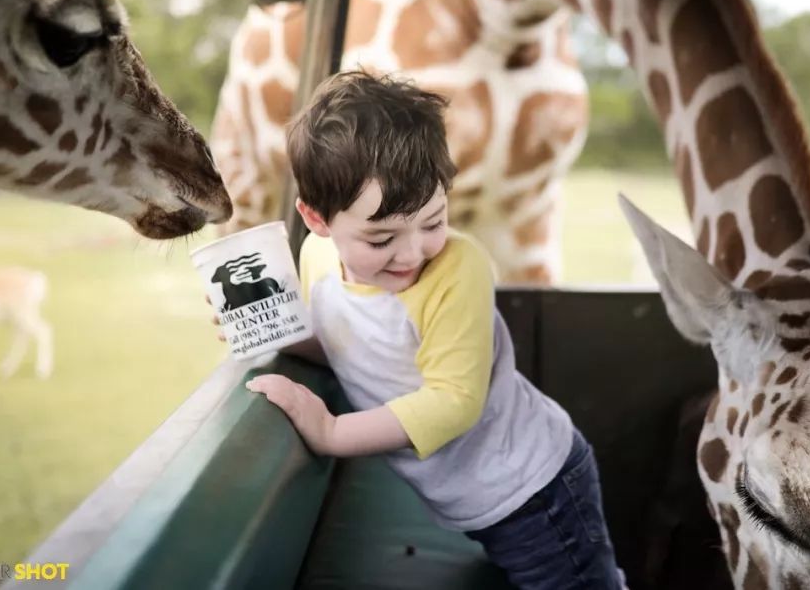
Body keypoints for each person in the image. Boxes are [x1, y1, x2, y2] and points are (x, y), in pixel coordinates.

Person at [239, 70, 626, 589]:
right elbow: (347, 344)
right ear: (317, 219)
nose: (414, 251)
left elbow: (454, 400)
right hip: (473, 498)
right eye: (381, 239)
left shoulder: (456, 272)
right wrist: (281, 333)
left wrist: (331, 431)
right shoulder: (316, 259)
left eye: (433, 220)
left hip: (535, 490)